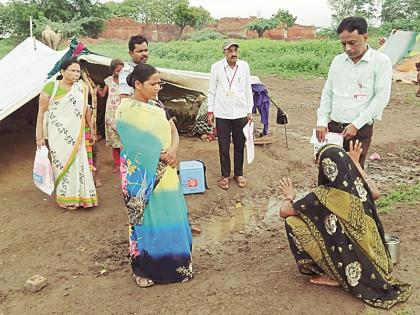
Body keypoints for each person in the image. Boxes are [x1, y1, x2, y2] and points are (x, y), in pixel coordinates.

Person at [278, 141, 411, 309]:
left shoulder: (323, 196)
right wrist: (356, 164)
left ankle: (335, 275)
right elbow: (375, 192)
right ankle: (343, 270)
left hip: (353, 264)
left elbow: (284, 212)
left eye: (319, 166)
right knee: (329, 221)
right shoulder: (357, 187)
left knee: (293, 221)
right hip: (378, 259)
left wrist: (289, 196)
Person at [115, 63, 193, 287]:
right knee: (145, 219)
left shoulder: (158, 106)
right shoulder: (125, 110)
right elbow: (132, 143)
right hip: (141, 176)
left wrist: (172, 152)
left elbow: (173, 132)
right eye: (153, 84)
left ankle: (176, 266)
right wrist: (159, 156)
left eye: (160, 83)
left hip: (166, 172)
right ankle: (144, 270)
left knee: (171, 215)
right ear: (138, 84)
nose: (158, 87)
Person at [315, 16, 393, 168]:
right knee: (328, 170)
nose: (347, 49)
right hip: (334, 129)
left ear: (365, 37)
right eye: (343, 44)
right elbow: (328, 92)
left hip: (359, 129)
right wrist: (322, 121)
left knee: (353, 173)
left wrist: (356, 125)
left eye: (352, 43)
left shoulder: (381, 62)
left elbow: (381, 98)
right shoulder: (338, 61)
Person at [35, 57, 98, 210]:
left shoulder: (81, 88)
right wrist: (39, 137)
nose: (77, 74)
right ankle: (65, 198)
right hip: (58, 135)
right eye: (73, 70)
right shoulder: (52, 87)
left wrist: (92, 130)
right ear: (63, 71)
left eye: (78, 71)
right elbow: (41, 113)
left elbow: (85, 112)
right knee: (61, 165)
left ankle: (84, 197)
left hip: (78, 135)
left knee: (80, 164)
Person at [207, 39, 253, 190]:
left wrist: (249, 110)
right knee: (223, 146)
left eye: (235, 51)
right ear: (224, 52)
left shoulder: (244, 66)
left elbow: (247, 89)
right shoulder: (216, 67)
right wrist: (210, 110)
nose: (233, 54)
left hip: (240, 112)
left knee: (240, 145)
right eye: (230, 51)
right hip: (222, 112)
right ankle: (225, 175)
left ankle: (238, 174)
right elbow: (212, 90)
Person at [97, 59, 125, 172]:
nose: (120, 72)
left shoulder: (127, 81)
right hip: (110, 114)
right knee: (115, 141)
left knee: (125, 139)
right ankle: (117, 164)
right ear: (113, 70)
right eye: (118, 70)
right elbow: (103, 94)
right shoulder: (109, 80)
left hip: (123, 113)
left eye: (122, 70)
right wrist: (96, 89)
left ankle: (125, 162)